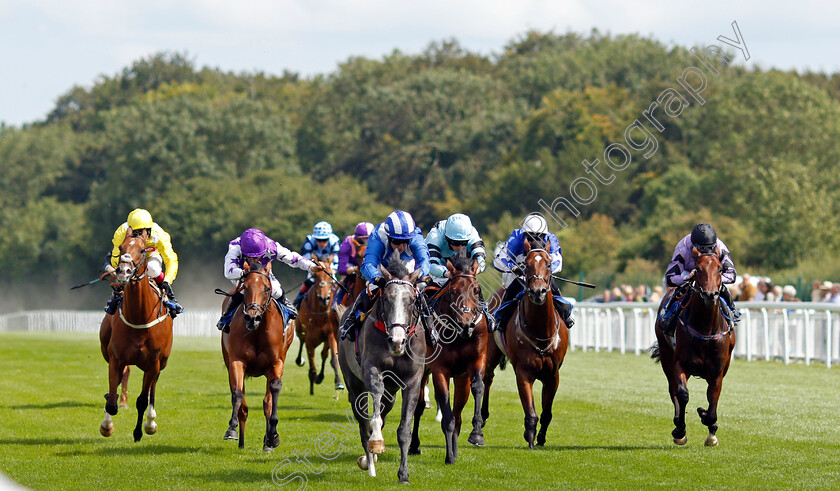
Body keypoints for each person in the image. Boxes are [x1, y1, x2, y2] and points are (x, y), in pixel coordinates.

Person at [338, 210, 433, 345]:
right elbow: (368, 263)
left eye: (405, 242)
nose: (400, 246)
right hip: (384, 266)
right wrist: (376, 278)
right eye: (396, 241)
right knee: (371, 287)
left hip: (406, 266)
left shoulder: (415, 236)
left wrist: (423, 274)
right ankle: (351, 320)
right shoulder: (378, 235)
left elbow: (424, 260)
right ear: (388, 237)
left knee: (418, 292)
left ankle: (429, 328)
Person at [216, 228, 329, 332]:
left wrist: (312, 267)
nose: (254, 260)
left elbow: (294, 259)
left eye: (257, 256)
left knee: (276, 290)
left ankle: (286, 307)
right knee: (245, 289)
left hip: (263, 272)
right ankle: (226, 317)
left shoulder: (271, 246)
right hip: (241, 273)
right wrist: (244, 273)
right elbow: (228, 271)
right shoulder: (235, 246)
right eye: (250, 256)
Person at [491, 212, 575, 332]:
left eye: (539, 237)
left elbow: (558, 262)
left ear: (544, 235)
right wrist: (514, 268)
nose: (534, 241)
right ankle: (499, 317)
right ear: (524, 234)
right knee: (515, 285)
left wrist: (544, 270)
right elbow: (499, 260)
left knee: (553, 286)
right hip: (519, 273)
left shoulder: (551, 239)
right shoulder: (516, 236)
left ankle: (565, 313)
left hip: (541, 274)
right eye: (529, 237)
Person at [659, 223, 739, 338]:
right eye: (701, 249)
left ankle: (732, 312)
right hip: (688, 272)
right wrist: (687, 278)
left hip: (711, 272)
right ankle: (668, 318)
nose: (705, 253)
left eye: (709, 248)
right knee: (680, 290)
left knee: (719, 288)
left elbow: (732, 275)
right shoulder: (683, 247)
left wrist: (713, 277)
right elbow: (670, 278)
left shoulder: (720, 246)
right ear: (694, 245)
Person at [104, 208, 183, 318]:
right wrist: (118, 269)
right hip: (131, 258)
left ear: (149, 230)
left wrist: (167, 280)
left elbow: (170, 259)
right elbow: (116, 256)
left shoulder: (159, 234)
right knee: (125, 271)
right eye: (135, 232)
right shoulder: (121, 232)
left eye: (141, 232)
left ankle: (169, 296)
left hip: (151, 257)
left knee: (153, 268)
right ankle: (116, 295)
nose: (138, 236)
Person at [424, 213, 495, 331]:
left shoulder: (472, 233)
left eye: (464, 243)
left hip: (462, 263)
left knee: (471, 285)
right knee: (434, 284)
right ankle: (426, 313)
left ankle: (486, 312)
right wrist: (446, 274)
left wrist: (475, 270)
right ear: (447, 238)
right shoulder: (435, 236)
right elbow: (430, 265)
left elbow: (481, 260)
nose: (460, 247)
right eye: (456, 243)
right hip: (440, 263)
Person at [293, 221, 341, 310]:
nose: (322, 243)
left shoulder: (335, 241)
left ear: (329, 238)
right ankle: (297, 302)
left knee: (335, 284)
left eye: (325, 240)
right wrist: (313, 268)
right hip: (313, 266)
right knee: (309, 281)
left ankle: (340, 305)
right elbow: (305, 259)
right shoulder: (309, 241)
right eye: (319, 240)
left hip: (329, 268)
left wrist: (332, 270)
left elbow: (336, 259)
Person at [334, 222, 374, 304]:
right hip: (353, 269)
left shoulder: (378, 243)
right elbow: (341, 269)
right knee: (346, 282)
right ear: (356, 239)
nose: (365, 243)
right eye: (361, 240)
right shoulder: (347, 244)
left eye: (368, 240)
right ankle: (336, 303)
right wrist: (355, 269)